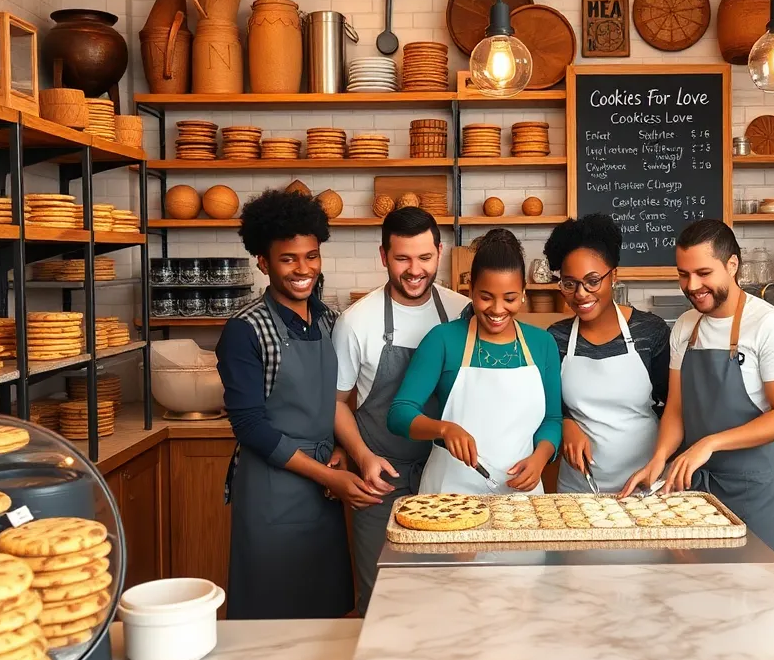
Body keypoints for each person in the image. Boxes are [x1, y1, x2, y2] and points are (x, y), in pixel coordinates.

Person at [216, 189, 379, 620]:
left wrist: (341, 452)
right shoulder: (245, 330)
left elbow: (333, 402)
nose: (303, 269)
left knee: (325, 613)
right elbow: (251, 428)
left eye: (312, 256)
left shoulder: (328, 321)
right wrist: (327, 474)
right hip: (272, 491)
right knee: (272, 616)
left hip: (324, 488)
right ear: (263, 262)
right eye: (289, 259)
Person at [620, 219, 774, 561]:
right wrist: (659, 459)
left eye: (703, 273)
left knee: (761, 603)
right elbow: (676, 408)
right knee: (701, 600)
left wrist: (709, 443)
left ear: (732, 264)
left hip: (759, 488)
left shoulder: (769, 325)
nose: (692, 285)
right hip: (699, 488)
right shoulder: (686, 327)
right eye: (683, 274)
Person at [332, 207, 470, 615]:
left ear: (440, 253)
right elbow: (336, 405)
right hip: (382, 481)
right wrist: (363, 457)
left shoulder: (463, 311)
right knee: (383, 602)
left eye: (425, 258)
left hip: (448, 478)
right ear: (383, 256)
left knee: (450, 599)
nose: (415, 270)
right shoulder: (356, 322)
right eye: (402, 258)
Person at [389, 228, 562, 494]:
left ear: (524, 293)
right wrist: (444, 429)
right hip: (448, 495)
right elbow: (399, 413)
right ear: (470, 290)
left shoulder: (542, 345)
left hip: (520, 499)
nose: (497, 309)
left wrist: (540, 458)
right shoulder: (443, 340)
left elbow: (552, 419)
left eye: (510, 298)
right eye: (485, 297)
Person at [543, 214, 670, 494]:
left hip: (645, 487)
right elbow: (546, 406)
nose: (581, 294)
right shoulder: (556, 338)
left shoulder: (649, 331)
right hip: (579, 491)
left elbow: (674, 408)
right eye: (569, 283)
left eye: (592, 281)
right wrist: (566, 423)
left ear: (614, 275)